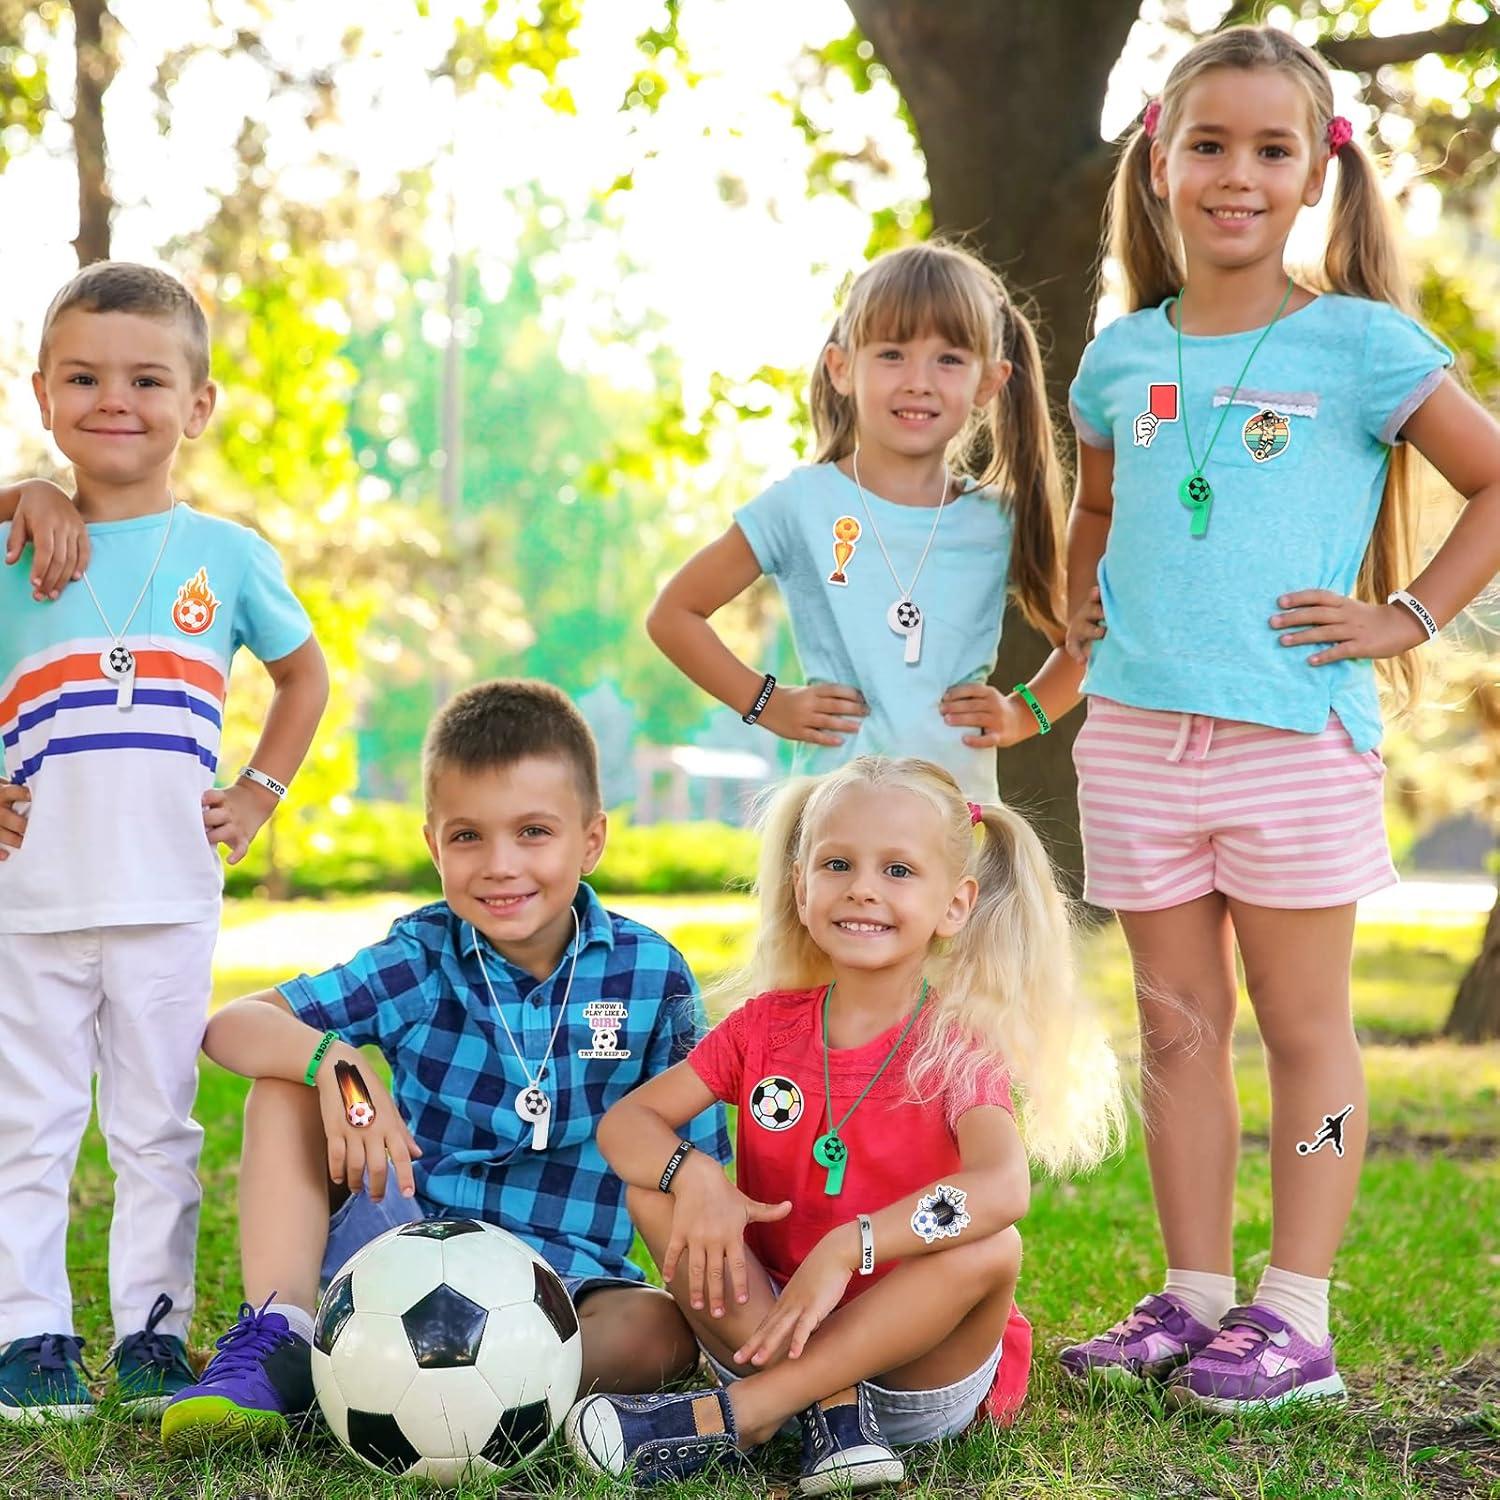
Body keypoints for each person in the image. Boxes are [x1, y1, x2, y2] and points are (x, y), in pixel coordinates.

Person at [1060, 25, 1500, 1413]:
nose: (1235, 175)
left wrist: (1408, 616)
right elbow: (1097, 501)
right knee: (1177, 1031)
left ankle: (1295, 1313)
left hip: (1292, 743)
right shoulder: (1119, 360)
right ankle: (1194, 1296)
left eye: (1270, 150)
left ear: (1317, 173)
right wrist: (1079, 598)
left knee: (1306, 1035)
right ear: (1160, 163)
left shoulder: (1361, 346)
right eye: (1208, 145)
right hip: (1136, 740)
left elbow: (1493, 481)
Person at [158, 679, 731, 1453]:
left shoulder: (649, 974)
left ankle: (407, 1385)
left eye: (533, 832)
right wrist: (335, 1060)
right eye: (468, 837)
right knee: (283, 1083)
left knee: (658, 1333)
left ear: (591, 840)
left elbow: (697, 1156)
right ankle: (284, 1336)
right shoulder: (423, 957)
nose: (500, 865)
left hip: (558, 1285)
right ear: (434, 846)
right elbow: (233, 1027)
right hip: (399, 1252)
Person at [566, 755, 1122, 1492]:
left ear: (955, 904)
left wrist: (850, 1246)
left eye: (898, 871)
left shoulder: (957, 1048)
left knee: (993, 1245)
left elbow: (1002, 1186)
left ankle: (747, 1413)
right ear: (801, 887)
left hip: (914, 1371)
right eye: (838, 864)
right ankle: (827, 1410)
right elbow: (628, 1125)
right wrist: (692, 1174)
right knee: (655, 1191)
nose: (863, 887)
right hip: (769, 1329)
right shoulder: (763, 1029)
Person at [0, 262, 329, 1421]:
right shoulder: (14, 553)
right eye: (84, 378)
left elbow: (304, 675)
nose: (115, 400)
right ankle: (27, 1335)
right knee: (30, 1126)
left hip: (169, 896)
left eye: (146, 379)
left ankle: (152, 1335)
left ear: (198, 405)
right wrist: (18, 493)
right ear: (44, 395)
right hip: (29, 898)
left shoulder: (226, 556)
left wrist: (262, 790)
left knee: (155, 1130)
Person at [646, 241, 1081, 802]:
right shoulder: (801, 504)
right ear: (842, 368)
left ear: (988, 383)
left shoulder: (1000, 522)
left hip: (954, 821)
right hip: (833, 821)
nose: (918, 380)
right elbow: (674, 615)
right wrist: (767, 703)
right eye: (892, 354)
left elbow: (1086, 643)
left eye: (949, 359)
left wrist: (1025, 713)